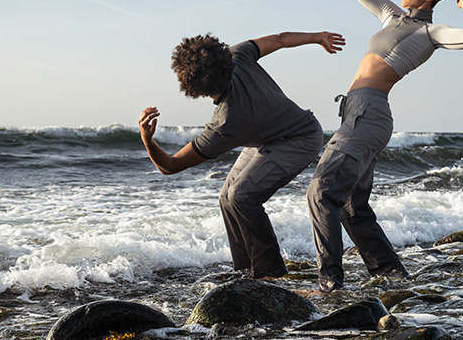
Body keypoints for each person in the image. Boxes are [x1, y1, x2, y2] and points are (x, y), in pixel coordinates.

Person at [284, 0, 463, 292]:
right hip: (356, 111)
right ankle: (392, 276)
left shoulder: (431, 32)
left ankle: (330, 282)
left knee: (320, 193)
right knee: (352, 207)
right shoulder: (391, 15)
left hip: (370, 112)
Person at [139, 31, 345, 279]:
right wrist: (318, 37)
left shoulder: (226, 123)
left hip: (299, 138)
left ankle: (270, 272)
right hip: (271, 136)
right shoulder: (237, 56)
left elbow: (170, 166)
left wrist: (147, 140)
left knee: (242, 195)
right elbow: (280, 39)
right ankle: (245, 268)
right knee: (227, 196)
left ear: (194, 89)